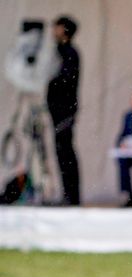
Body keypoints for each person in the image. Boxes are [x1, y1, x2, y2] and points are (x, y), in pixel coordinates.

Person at [46, 15, 81, 205]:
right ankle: (68, 194)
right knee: (62, 152)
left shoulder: (69, 53)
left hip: (64, 111)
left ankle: (71, 195)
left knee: (65, 152)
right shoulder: (59, 52)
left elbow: (64, 81)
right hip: (58, 110)